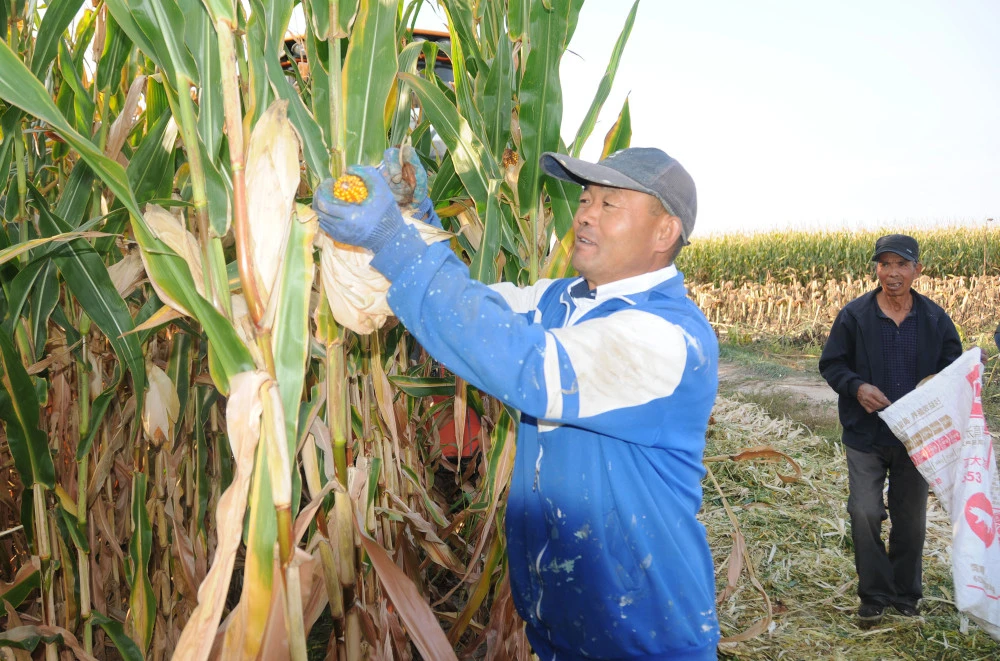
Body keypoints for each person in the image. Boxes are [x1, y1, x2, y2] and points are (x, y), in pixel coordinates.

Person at [313, 147, 721, 659]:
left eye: (610, 204)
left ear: (665, 233)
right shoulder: (562, 300)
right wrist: (417, 220)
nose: (586, 212)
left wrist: (392, 242)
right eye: (586, 197)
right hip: (563, 626)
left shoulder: (666, 337)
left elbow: (528, 367)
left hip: (642, 632)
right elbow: (473, 314)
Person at [819, 234, 962, 628]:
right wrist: (857, 387)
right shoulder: (855, 316)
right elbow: (831, 365)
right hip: (866, 434)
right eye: (885, 264)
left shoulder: (934, 319)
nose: (892, 273)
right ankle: (874, 595)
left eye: (901, 265)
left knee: (910, 518)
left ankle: (905, 595)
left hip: (915, 438)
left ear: (917, 270)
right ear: (876, 269)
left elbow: (953, 370)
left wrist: (945, 379)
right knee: (864, 511)